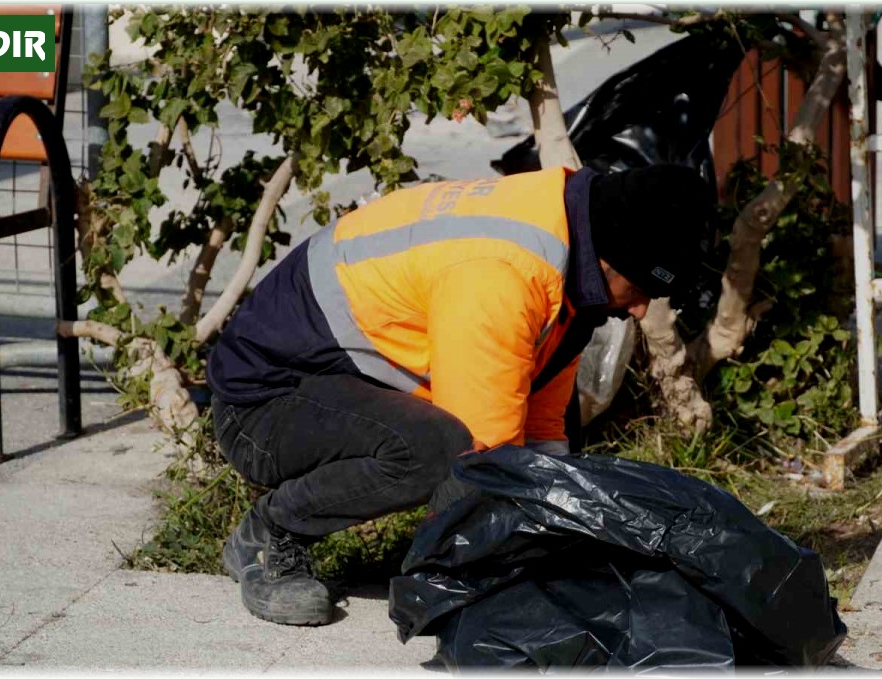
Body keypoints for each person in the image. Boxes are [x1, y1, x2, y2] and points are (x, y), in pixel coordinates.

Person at [206, 163, 714, 626]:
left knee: (531, 459)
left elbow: (543, 427)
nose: (641, 310)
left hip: (339, 383)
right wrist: (486, 578)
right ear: (608, 259)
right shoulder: (504, 272)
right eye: (641, 288)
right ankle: (271, 533)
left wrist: (564, 539)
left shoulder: (569, 256)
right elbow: (482, 458)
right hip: (263, 405)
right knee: (439, 448)